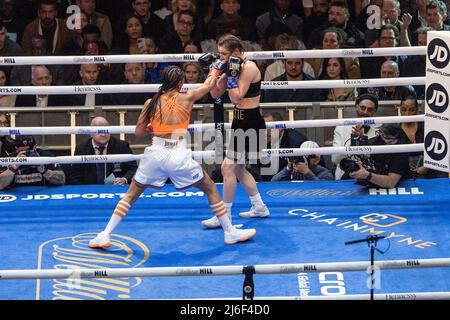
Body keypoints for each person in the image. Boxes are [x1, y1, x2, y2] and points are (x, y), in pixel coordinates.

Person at [89, 65, 256, 248]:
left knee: (130, 195)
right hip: (178, 153)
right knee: (210, 188)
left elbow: (138, 132)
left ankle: (104, 234)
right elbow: (209, 85)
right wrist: (214, 69)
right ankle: (230, 232)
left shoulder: (150, 103)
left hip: (155, 153)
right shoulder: (187, 97)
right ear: (180, 83)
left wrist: (152, 127)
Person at [203, 34, 270, 230]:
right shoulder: (229, 66)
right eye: (220, 54)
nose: (221, 57)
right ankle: (259, 207)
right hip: (240, 121)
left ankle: (224, 216)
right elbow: (215, 94)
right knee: (239, 169)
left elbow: (236, 97)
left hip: (251, 121)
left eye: (224, 54)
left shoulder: (249, 68)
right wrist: (212, 73)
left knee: (227, 168)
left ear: (236, 53)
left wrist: (230, 76)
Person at [69, 117, 138, 185]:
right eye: (99, 131)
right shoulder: (81, 148)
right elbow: (75, 175)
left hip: (116, 189)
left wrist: (124, 179)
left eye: (106, 131)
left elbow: (133, 169)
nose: (103, 134)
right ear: (91, 133)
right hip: (89, 190)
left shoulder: (122, 146)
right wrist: (84, 191)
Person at [332, 93, 380, 180]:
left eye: (370, 109)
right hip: (345, 174)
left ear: (374, 111)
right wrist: (355, 141)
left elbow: (380, 159)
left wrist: (364, 140)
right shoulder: (341, 127)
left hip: (373, 175)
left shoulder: (380, 128)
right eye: (362, 108)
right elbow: (335, 159)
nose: (365, 112)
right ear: (356, 106)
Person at [348, 124, 410, 188]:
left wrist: (367, 175)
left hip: (398, 188)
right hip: (371, 184)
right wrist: (361, 143)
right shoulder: (376, 141)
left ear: (395, 139)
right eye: (381, 133)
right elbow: (359, 159)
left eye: (386, 136)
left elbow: (390, 183)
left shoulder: (401, 152)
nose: (382, 137)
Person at [0, 135, 66, 190]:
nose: (27, 153)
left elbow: (61, 180)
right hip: (17, 197)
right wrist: (14, 166)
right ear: (16, 148)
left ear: (35, 147)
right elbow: (0, 185)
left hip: (42, 194)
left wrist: (43, 170)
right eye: (23, 151)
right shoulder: (10, 159)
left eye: (29, 150)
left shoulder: (45, 156)